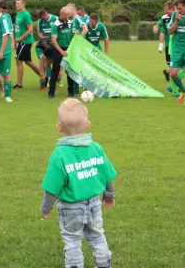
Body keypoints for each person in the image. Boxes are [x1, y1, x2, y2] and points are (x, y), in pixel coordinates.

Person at [40, 98, 116, 268]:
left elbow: (52, 188)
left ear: (59, 127)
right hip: (95, 203)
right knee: (97, 236)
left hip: (70, 207)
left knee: (72, 240)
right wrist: (109, 195)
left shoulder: (59, 154)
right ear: (87, 125)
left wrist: (46, 208)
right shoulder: (96, 148)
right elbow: (107, 175)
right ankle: (104, 264)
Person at [13, 0, 43, 89]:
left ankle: (19, 84)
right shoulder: (18, 14)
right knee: (28, 61)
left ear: (23, 4)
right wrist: (15, 40)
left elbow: (30, 30)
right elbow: (17, 29)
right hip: (20, 42)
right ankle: (43, 77)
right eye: (16, 3)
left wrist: (20, 39)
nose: (16, 5)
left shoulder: (26, 15)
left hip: (25, 41)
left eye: (18, 3)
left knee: (19, 61)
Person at [49, 7, 77, 99]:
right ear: (61, 14)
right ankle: (51, 93)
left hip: (68, 49)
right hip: (58, 50)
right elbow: (53, 40)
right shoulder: (55, 25)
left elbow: (71, 35)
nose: (67, 17)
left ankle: (71, 91)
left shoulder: (70, 23)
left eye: (68, 16)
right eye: (66, 16)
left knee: (69, 70)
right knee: (55, 71)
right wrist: (61, 51)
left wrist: (75, 33)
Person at [36, 8, 59, 90]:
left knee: (53, 64)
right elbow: (39, 31)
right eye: (41, 19)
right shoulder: (40, 21)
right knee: (45, 64)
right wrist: (41, 36)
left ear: (46, 14)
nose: (43, 20)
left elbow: (60, 30)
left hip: (52, 44)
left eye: (44, 18)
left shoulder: (55, 19)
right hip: (43, 45)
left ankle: (54, 83)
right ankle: (43, 84)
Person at [153, 1, 175, 82]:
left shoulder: (178, 16)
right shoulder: (164, 18)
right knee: (171, 65)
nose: (165, 12)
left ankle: (176, 85)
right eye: (164, 10)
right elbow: (158, 27)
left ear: (172, 9)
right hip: (168, 45)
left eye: (166, 10)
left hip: (177, 45)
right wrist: (155, 28)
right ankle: (176, 86)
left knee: (176, 65)